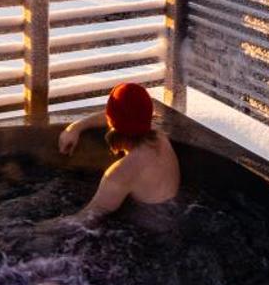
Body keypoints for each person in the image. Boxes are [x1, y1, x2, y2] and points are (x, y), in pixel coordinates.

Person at [56, 81, 181, 219]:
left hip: (147, 229)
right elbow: (126, 115)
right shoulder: (160, 136)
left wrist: (34, 230)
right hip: (174, 214)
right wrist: (76, 127)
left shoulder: (121, 173)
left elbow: (82, 221)